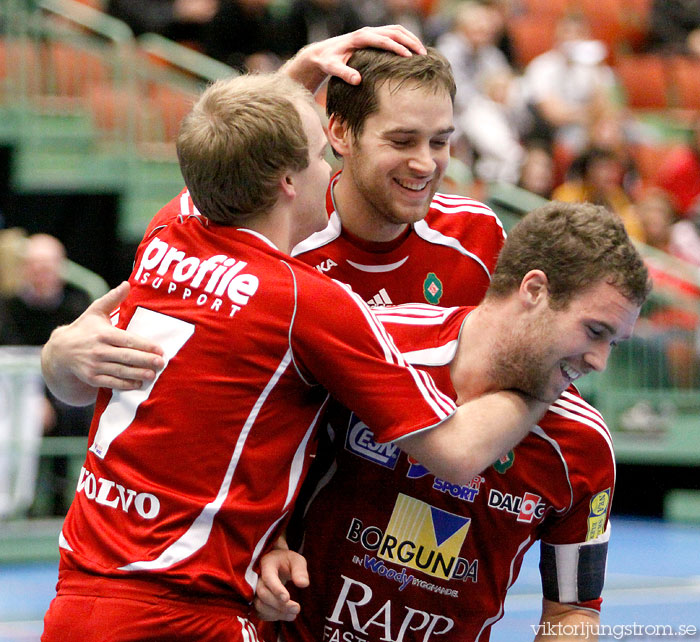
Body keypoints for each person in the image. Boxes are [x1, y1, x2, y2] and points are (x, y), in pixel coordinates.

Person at [39, 32, 555, 642]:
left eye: (441, 141)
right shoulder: (303, 293)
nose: (426, 162)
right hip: (215, 591)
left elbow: (233, 148)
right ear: (335, 138)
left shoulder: (173, 233)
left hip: (103, 579)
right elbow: (459, 450)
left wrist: (296, 74)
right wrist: (562, 359)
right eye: (401, 140)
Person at [254, 201, 651, 641]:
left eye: (615, 342)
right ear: (534, 290)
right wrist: (269, 546)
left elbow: (573, 610)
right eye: (595, 331)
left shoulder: (583, 444)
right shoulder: (377, 344)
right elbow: (251, 452)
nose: (600, 361)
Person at [0, 233, 93, 516]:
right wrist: (37, 398)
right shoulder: (8, 307)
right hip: (18, 394)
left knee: (78, 413)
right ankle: (17, 504)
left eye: (48, 265)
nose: (42, 272)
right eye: (36, 265)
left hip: (69, 392)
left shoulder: (79, 305)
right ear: (25, 268)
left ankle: (62, 505)